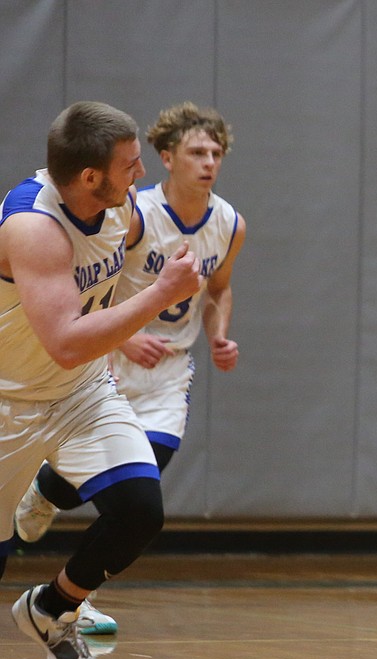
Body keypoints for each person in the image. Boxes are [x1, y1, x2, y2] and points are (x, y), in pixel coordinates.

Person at [14, 103, 246, 632]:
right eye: (197, 151)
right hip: (108, 356)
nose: (209, 161)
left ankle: (77, 594)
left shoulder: (230, 223)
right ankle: (46, 492)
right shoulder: (131, 211)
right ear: (167, 157)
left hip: (168, 372)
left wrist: (219, 335)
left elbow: (219, 289)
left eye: (216, 152)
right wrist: (131, 333)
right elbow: (95, 283)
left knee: (138, 495)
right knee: (80, 488)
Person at [0, 101, 201, 659]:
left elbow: (126, 275)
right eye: (131, 166)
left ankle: (52, 609)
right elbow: (62, 340)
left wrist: (135, 313)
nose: (140, 176)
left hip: (82, 391)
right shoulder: (34, 227)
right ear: (90, 177)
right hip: (9, 400)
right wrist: (157, 296)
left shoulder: (124, 210)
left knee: (140, 510)